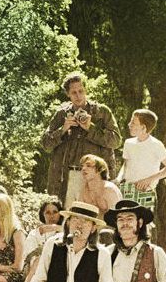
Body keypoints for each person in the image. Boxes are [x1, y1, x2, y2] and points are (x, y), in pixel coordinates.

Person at [40, 71, 123, 204]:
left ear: (85, 90)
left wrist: (90, 128)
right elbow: (45, 144)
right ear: (68, 94)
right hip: (67, 177)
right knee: (66, 218)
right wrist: (63, 129)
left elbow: (116, 141)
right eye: (74, 92)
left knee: (94, 218)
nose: (78, 96)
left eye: (81, 91)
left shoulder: (101, 112)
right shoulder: (61, 114)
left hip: (94, 177)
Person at [116, 108, 166, 209]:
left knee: (143, 223)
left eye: (133, 122)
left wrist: (148, 180)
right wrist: (118, 178)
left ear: (143, 128)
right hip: (126, 190)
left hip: (146, 192)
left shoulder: (156, 145)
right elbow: (126, 165)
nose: (129, 124)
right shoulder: (128, 143)